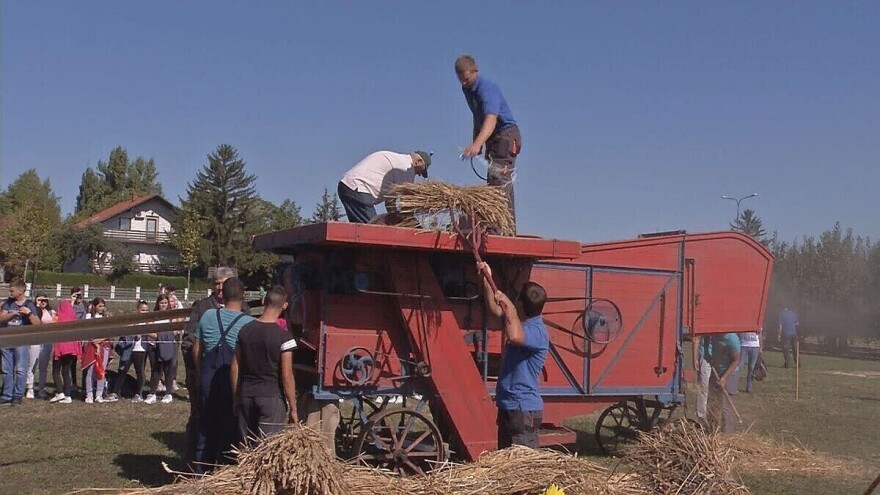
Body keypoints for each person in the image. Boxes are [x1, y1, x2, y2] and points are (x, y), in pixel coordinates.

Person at [181, 266, 249, 469]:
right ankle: (193, 464)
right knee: (201, 421)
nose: (220, 288)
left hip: (227, 375)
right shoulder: (203, 307)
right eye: (217, 284)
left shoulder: (243, 310)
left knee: (228, 422)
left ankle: (220, 466)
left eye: (223, 284)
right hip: (207, 373)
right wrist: (196, 371)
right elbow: (190, 342)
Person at [477, 262, 548, 449]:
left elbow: (515, 336)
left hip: (523, 408)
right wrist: (487, 278)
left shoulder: (536, 331)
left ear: (521, 305)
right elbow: (495, 310)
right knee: (506, 460)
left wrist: (509, 305)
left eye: (517, 299)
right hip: (510, 406)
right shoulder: (519, 321)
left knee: (522, 463)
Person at [455, 54, 521, 225]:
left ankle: (501, 230)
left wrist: (477, 144)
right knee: (495, 182)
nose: (464, 83)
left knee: (499, 183)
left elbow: (491, 119)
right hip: (493, 138)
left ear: (475, 71)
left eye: (467, 79)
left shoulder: (487, 88)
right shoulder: (468, 90)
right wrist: (476, 141)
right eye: (461, 80)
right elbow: (478, 116)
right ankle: (502, 229)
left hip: (505, 135)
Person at [231, 285, 298, 445]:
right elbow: (286, 375)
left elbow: (235, 367)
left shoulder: (244, 330)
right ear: (285, 305)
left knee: (246, 450)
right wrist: (293, 407)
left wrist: (236, 397)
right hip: (271, 398)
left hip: (246, 395)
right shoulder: (284, 337)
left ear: (263, 301)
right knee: (267, 450)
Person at [337, 150, 432, 223]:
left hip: (348, 185)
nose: (419, 174)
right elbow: (406, 206)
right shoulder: (407, 168)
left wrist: (395, 217)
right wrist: (410, 223)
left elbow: (390, 202)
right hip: (358, 189)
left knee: (360, 232)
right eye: (421, 170)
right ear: (418, 161)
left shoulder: (397, 160)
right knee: (374, 233)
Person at [1, 279, 41, 406]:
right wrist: (12, 315)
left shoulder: (29, 304)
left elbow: (38, 324)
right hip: (7, 340)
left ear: (21, 291)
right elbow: (1, 317)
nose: (10, 293)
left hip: (21, 341)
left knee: (21, 369)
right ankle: (7, 395)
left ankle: (18, 395)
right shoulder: (8, 303)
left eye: (12, 291)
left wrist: (28, 314)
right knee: (6, 369)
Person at [113, 300, 150, 401]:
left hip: (140, 349)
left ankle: (139, 393)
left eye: (146, 310)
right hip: (129, 348)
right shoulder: (132, 321)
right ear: (138, 310)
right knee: (122, 370)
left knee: (139, 371)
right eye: (142, 310)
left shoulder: (149, 322)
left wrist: (143, 332)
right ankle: (116, 392)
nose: (145, 312)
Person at [82, 298, 116, 403]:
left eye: (103, 306)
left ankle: (99, 394)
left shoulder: (106, 318)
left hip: (104, 346)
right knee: (90, 371)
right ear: (94, 306)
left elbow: (109, 332)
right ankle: (89, 394)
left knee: (101, 370)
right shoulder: (89, 317)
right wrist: (94, 341)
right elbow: (87, 331)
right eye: (99, 306)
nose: (102, 308)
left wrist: (100, 339)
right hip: (91, 346)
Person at [707, 332, 741, 433]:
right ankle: (712, 431)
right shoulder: (715, 335)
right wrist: (708, 355)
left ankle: (726, 434)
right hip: (716, 371)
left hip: (729, 374)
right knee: (713, 403)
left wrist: (724, 378)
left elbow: (736, 360)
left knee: (725, 406)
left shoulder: (732, 339)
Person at [50, 301, 81, 404]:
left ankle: (60, 392)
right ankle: (68, 395)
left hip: (61, 348)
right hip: (71, 349)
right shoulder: (73, 318)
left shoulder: (58, 319)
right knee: (66, 371)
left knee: (56, 370)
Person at [146, 294, 175, 404]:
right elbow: (149, 330)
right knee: (156, 370)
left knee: (168, 369)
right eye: (161, 303)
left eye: (165, 303)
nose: (163, 305)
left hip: (168, 345)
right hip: (155, 346)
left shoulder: (171, 316)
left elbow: (175, 330)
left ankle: (168, 393)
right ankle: (152, 393)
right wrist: (160, 336)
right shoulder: (153, 316)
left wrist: (164, 336)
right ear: (158, 303)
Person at [27, 294, 56, 399]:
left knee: (43, 367)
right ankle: (30, 388)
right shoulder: (33, 312)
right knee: (32, 365)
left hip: (47, 341)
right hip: (35, 341)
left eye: (45, 300)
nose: (43, 302)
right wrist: (37, 307)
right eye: (40, 300)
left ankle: (41, 389)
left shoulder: (51, 312)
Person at [692, 335, 712, 425]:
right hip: (705, 358)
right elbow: (696, 339)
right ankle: (701, 416)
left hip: (718, 357)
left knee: (715, 389)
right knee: (704, 387)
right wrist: (695, 358)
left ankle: (712, 415)